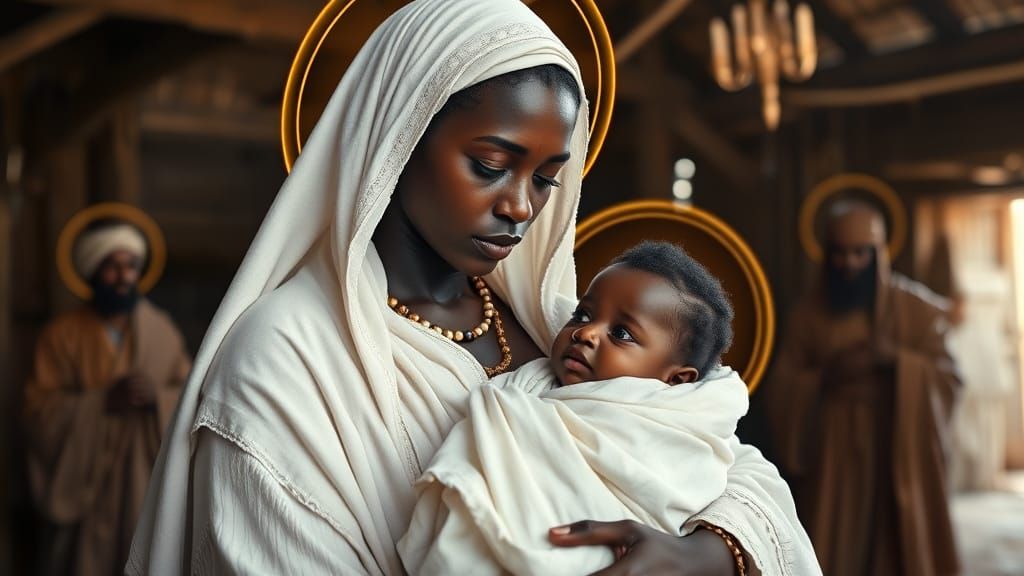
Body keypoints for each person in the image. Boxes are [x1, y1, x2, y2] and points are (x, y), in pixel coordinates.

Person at [128, 1, 818, 574]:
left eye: (547, 178)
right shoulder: (288, 360)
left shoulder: (548, 318)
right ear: (395, 140)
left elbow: (726, 459)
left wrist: (703, 553)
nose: (521, 205)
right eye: (491, 164)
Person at [398, 241, 754, 574]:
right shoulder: (527, 386)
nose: (586, 333)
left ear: (675, 380)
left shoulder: (675, 422)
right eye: (583, 314)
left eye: (622, 333)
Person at [765, 200, 961, 576]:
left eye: (860, 253)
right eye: (840, 253)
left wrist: (895, 361)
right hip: (833, 447)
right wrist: (824, 377)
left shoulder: (916, 310)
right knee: (833, 538)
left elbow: (949, 375)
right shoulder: (808, 315)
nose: (849, 264)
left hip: (895, 441)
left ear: (879, 253)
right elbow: (783, 385)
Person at [23, 221, 191, 576]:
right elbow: (38, 412)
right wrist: (99, 403)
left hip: (142, 486)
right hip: (85, 489)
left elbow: (191, 398)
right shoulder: (61, 335)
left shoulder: (161, 330)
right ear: (93, 271)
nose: (123, 275)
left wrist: (157, 399)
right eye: (112, 266)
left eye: (130, 265)